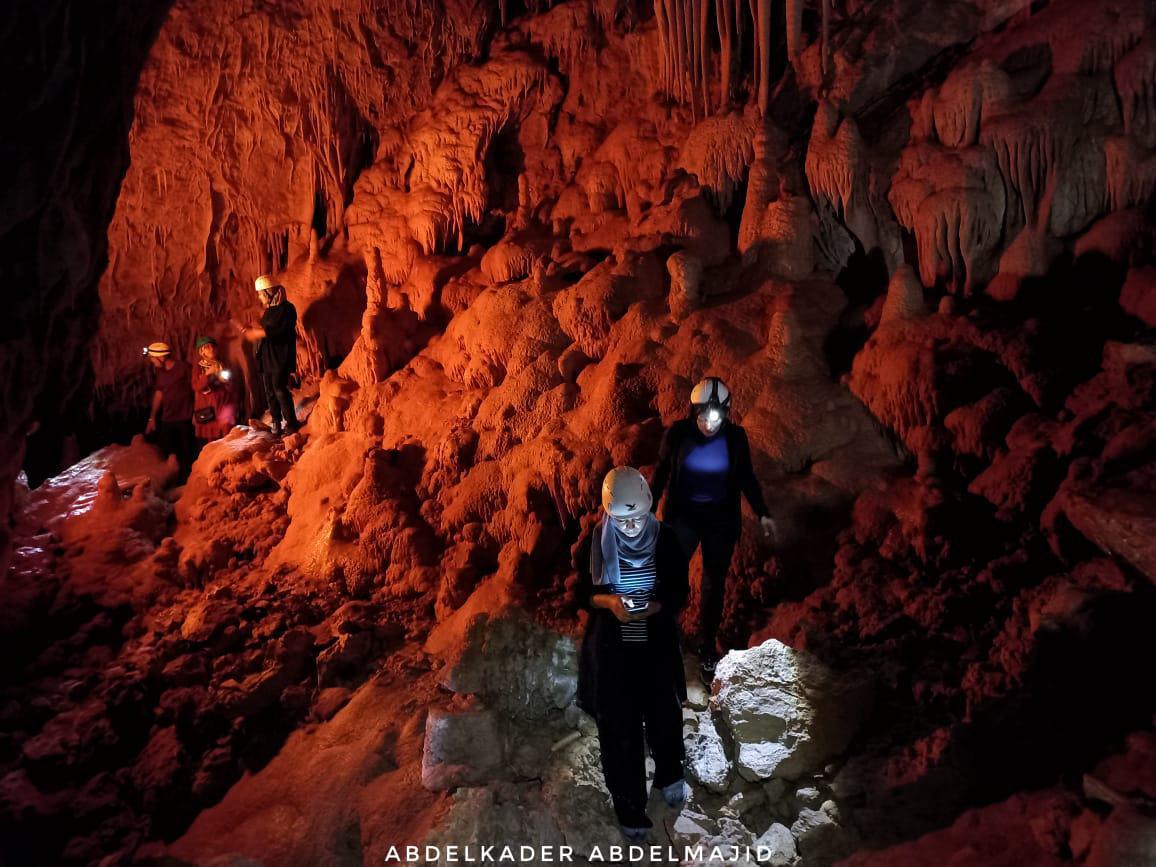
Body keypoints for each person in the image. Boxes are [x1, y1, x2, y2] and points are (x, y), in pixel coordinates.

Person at [575, 467, 691, 842]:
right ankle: (629, 807)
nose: (630, 527)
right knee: (619, 725)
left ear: (650, 509)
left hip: (654, 638)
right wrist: (610, 601)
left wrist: (654, 607)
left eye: (638, 518)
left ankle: (670, 774)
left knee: (664, 709)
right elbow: (581, 594)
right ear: (608, 513)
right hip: (613, 644)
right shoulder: (594, 543)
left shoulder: (667, 540)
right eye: (621, 520)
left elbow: (678, 591)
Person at [650, 376, 776, 681]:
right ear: (693, 413)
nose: (709, 424)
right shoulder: (678, 434)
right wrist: (647, 509)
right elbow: (662, 473)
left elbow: (746, 477)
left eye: (716, 417)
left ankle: (707, 648)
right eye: (703, 417)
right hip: (684, 516)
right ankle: (665, 641)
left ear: (728, 412)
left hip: (720, 520)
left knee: (713, 585)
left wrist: (763, 513)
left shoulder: (735, 437)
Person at [235, 274, 299, 437]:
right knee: (269, 391)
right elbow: (263, 332)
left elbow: (278, 331)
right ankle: (276, 422)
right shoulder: (269, 311)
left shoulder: (287, 309)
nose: (259, 297)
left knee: (279, 389)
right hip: (267, 357)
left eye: (261, 293)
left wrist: (257, 332)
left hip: (280, 356)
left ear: (270, 292)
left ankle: (291, 423)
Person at [143, 341, 196, 476]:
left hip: (186, 417)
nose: (151, 361)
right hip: (168, 419)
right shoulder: (160, 372)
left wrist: (197, 411)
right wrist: (152, 418)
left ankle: (190, 481)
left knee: (188, 452)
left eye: (152, 358)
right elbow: (159, 394)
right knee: (170, 453)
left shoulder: (184, 368)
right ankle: (175, 482)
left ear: (161, 357)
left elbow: (196, 388)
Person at [191, 336, 239, 444]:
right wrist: (207, 374)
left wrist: (225, 380)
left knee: (227, 437)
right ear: (202, 351)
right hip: (208, 408)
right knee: (212, 440)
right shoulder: (198, 367)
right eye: (207, 347)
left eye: (213, 346)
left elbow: (232, 387)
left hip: (224, 405)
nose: (211, 349)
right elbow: (196, 386)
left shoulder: (222, 365)